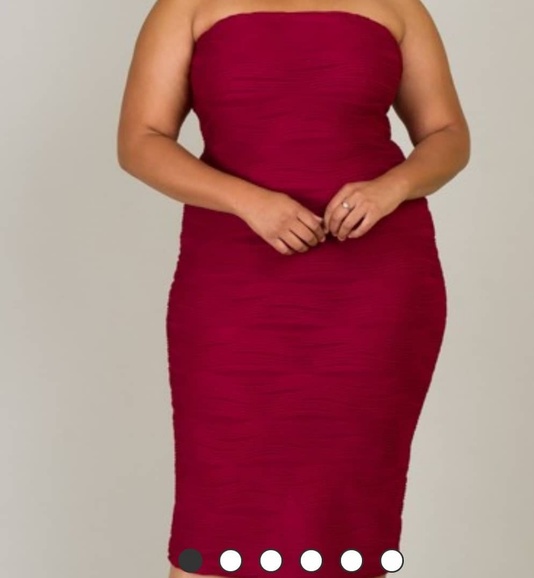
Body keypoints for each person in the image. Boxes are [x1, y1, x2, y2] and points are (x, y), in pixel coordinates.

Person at [117, 0, 470, 577]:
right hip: (233, 276)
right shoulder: (187, 6)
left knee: (349, 501)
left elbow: (448, 134)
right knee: (222, 503)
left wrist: (392, 187)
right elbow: (140, 140)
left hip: (373, 283)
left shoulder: (396, 6)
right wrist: (247, 201)